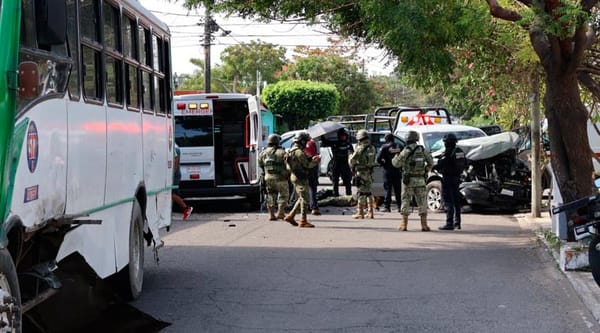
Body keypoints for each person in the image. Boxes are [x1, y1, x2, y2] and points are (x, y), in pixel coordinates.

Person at [392, 130, 433, 231]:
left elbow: (396, 164)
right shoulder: (422, 150)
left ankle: (404, 225)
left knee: (405, 200)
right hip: (420, 180)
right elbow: (431, 162)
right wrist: (425, 171)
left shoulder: (406, 151)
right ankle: (424, 225)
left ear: (407, 139)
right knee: (422, 201)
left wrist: (395, 156)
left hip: (408, 181)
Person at [284, 132, 320, 228]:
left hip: (295, 176)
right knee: (305, 199)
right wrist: (315, 161)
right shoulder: (299, 152)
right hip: (300, 177)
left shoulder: (291, 150)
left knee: (301, 198)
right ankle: (303, 220)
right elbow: (307, 165)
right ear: (302, 141)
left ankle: (291, 216)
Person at [434, 133, 467, 230]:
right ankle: (457, 223)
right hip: (457, 178)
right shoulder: (459, 151)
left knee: (448, 201)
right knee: (456, 201)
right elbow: (465, 162)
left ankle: (449, 223)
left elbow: (441, 163)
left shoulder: (448, 152)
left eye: (445, 142)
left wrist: (434, 167)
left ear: (447, 142)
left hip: (448, 178)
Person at [258, 134, 290, 221]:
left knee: (270, 196)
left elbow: (260, 164)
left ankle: (271, 215)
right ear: (278, 142)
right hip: (281, 178)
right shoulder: (282, 152)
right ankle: (280, 213)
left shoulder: (263, 153)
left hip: (268, 178)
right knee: (284, 195)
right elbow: (288, 164)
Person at [349, 129, 377, 219]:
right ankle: (370, 212)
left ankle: (360, 212)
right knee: (369, 192)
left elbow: (352, 161)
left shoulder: (360, 148)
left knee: (361, 192)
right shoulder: (372, 147)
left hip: (361, 173)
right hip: (369, 172)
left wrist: (349, 156)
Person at [377, 133, 402, 212]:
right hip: (397, 170)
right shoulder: (399, 146)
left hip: (387, 170)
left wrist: (383, 164)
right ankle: (400, 206)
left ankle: (387, 207)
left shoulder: (384, 147)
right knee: (398, 189)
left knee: (388, 189)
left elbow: (378, 159)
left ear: (386, 139)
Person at [330, 128, 354, 196]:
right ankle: (335, 194)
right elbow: (325, 142)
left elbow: (352, 153)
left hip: (345, 164)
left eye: (344, 135)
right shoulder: (335, 143)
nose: (343, 137)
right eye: (341, 135)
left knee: (347, 181)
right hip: (336, 164)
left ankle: (349, 195)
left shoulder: (348, 144)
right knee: (335, 181)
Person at [172, 144, 193, 220]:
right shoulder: (174, 146)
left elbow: (176, 160)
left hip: (174, 174)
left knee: (171, 194)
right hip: (174, 173)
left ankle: (186, 208)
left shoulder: (174, 147)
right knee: (170, 194)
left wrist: (172, 173)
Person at [304, 136, 321, 215]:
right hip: (313, 166)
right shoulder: (313, 143)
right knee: (312, 188)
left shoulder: (300, 145)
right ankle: (313, 207)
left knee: (302, 189)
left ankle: (305, 206)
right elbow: (317, 154)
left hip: (304, 168)